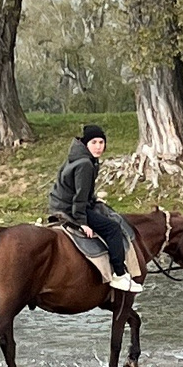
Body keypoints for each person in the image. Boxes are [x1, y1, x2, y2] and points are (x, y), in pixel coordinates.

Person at [47, 125, 138, 294]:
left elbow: (79, 190)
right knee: (113, 228)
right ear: (86, 144)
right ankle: (119, 274)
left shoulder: (77, 157)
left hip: (60, 204)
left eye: (101, 142)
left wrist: (94, 199)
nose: (98, 146)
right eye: (94, 142)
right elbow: (79, 197)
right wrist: (82, 222)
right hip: (70, 208)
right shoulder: (85, 164)